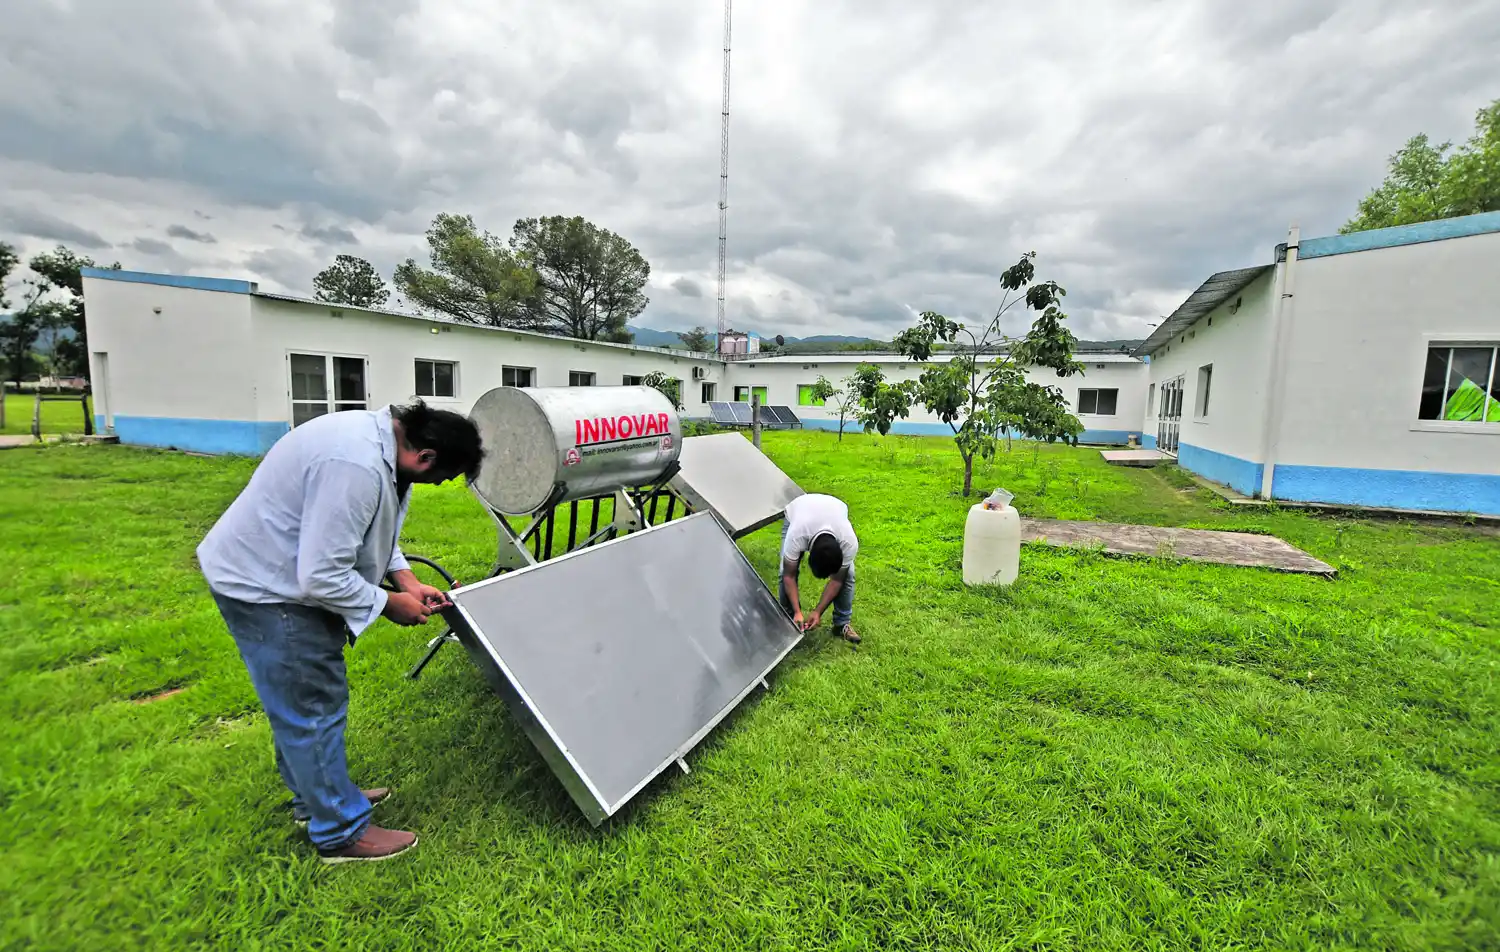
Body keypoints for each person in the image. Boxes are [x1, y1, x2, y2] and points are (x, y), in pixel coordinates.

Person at [197, 399, 483, 864]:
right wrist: (389, 604)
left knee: (300, 704)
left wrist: (403, 577)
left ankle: (318, 798)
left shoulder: (384, 444)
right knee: (311, 706)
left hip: (275, 576)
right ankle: (340, 832)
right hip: (270, 590)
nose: (435, 485)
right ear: (425, 457)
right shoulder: (356, 465)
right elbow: (321, 575)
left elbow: (371, 529)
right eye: (441, 478)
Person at [779, 492, 860, 644]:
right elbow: (788, 576)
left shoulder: (848, 542)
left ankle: (842, 624)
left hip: (834, 508)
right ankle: (790, 620)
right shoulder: (797, 534)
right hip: (799, 509)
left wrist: (818, 612)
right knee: (785, 570)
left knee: (848, 574)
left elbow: (837, 581)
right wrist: (797, 611)